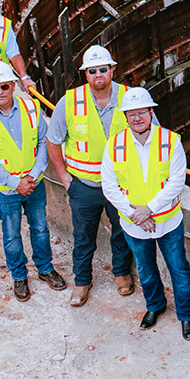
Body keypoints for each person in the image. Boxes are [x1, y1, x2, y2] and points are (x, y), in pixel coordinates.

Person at [102, 85, 190, 336]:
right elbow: (110, 186)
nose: (136, 118)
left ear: (151, 113)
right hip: (134, 224)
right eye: (131, 114)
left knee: (178, 268)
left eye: (141, 112)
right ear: (125, 117)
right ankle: (155, 306)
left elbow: (177, 181)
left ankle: (186, 315)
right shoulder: (114, 145)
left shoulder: (170, 140)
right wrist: (135, 214)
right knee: (145, 268)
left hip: (167, 221)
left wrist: (149, 210)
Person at [47, 45, 135, 307]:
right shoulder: (70, 102)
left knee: (121, 232)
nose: (99, 75)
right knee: (83, 236)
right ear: (86, 74)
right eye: (93, 71)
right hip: (84, 186)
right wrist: (64, 178)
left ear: (112, 70)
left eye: (103, 69)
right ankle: (82, 281)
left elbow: (149, 137)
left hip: (121, 185)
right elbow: (53, 141)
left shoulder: (130, 97)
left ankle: (121, 273)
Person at [0, 61, 62, 300]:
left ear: (12, 85)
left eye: (4, 86)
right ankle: (19, 276)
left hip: (34, 184)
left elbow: (44, 141)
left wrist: (34, 174)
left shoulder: (30, 107)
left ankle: (45, 268)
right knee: (11, 235)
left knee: (40, 228)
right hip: (6, 191)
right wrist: (15, 182)